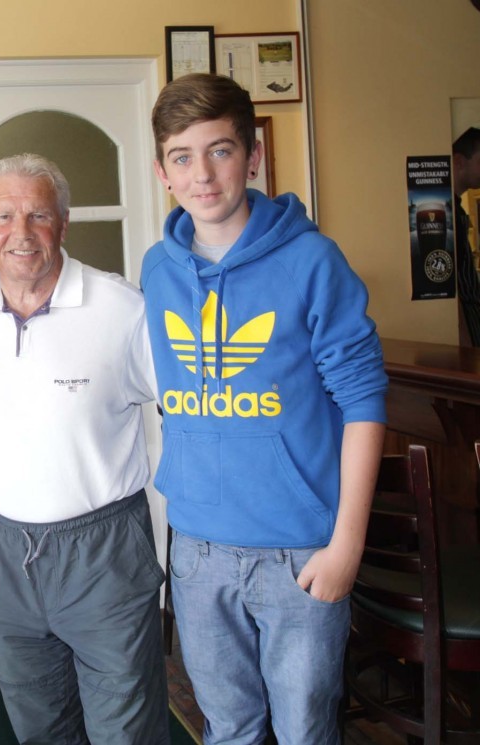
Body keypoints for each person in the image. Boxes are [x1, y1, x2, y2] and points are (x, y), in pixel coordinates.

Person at [143, 73, 387, 744]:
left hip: (299, 551)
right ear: (162, 170)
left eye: (220, 150)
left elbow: (364, 400)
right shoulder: (157, 271)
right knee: (229, 728)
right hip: (197, 550)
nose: (203, 174)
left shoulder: (313, 260)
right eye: (182, 156)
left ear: (252, 157)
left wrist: (347, 544)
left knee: (307, 730)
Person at [0, 153, 169, 744]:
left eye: (38, 215)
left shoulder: (121, 308)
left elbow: (189, 411)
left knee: (125, 730)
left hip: (105, 554)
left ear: (63, 225)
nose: (20, 234)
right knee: (40, 728)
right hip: (5, 555)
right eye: (3, 216)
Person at [452, 126, 480, 345]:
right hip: (466, 323)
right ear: (460, 161)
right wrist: (465, 335)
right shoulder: (445, 214)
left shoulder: (457, 209)